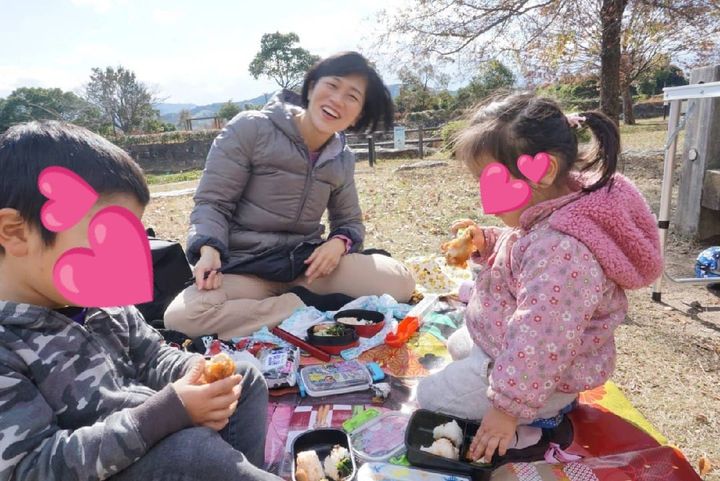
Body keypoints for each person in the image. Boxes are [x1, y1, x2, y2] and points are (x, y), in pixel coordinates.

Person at [0, 122, 281, 481]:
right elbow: (33, 467)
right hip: (102, 467)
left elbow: (152, 356)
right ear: (15, 232)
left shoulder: (104, 302)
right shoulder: (9, 343)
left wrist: (196, 375)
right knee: (194, 454)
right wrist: (167, 412)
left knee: (244, 378)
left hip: (150, 429)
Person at [416, 93, 662, 462]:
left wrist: (506, 410)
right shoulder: (553, 209)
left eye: (490, 181)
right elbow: (524, 251)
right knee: (458, 343)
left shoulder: (563, 249)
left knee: (428, 397)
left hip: (542, 371)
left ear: (542, 171)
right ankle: (515, 388)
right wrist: (490, 241)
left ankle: (543, 407)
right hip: (515, 348)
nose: (487, 197)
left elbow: (542, 336)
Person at [164, 52, 415, 340]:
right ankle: (305, 307)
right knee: (181, 318)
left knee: (401, 282)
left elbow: (350, 221)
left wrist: (338, 243)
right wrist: (209, 250)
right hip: (247, 269)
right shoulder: (251, 128)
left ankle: (277, 312)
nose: (337, 100)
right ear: (311, 87)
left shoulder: (341, 158)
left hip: (308, 268)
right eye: (332, 85)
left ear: (357, 115)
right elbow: (212, 203)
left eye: (352, 96)